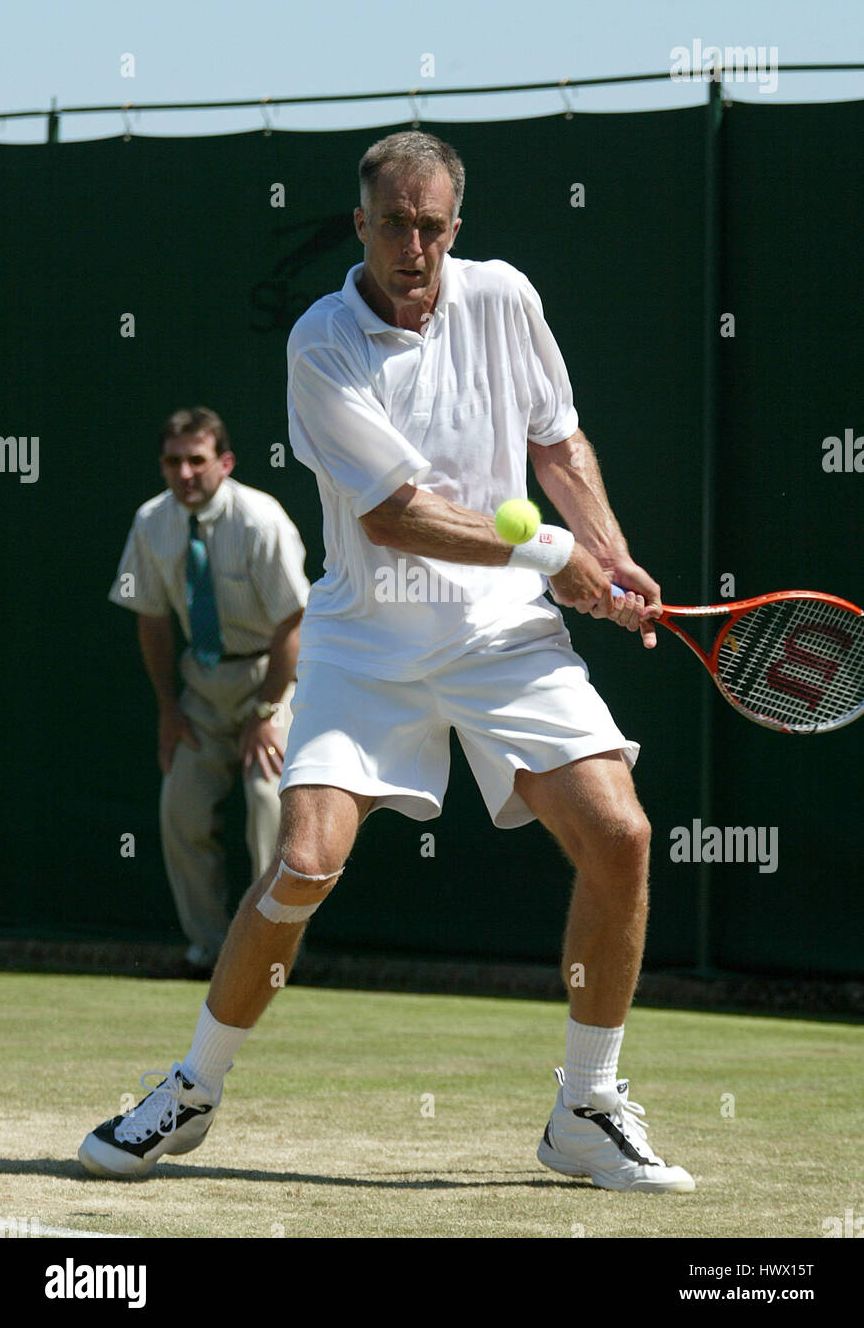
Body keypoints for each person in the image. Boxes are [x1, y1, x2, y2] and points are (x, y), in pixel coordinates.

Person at [80, 135, 694, 1194]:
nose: (413, 246)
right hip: (367, 639)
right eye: (393, 223)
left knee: (620, 834)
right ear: (358, 224)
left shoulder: (504, 298)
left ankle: (585, 1107)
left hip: (502, 635)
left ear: (456, 227)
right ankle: (189, 1087)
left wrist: (602, 545)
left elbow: (556, 442)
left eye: (433, 226)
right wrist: (551, 554)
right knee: (305, 859)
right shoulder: (322, 342)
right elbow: (395, 514)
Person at [107, 408, 310, 977]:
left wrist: (268, 713)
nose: (185, 473)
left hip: (274, 682)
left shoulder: (260, 520)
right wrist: (169, 709)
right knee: (181, 808)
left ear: (224, 462)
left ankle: (267, 956)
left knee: (269, 806)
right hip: (200, 686)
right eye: (173, 461)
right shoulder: (151, 521)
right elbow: (151, 619)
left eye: (197, 460)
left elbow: (293, 623)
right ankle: (210, 951)